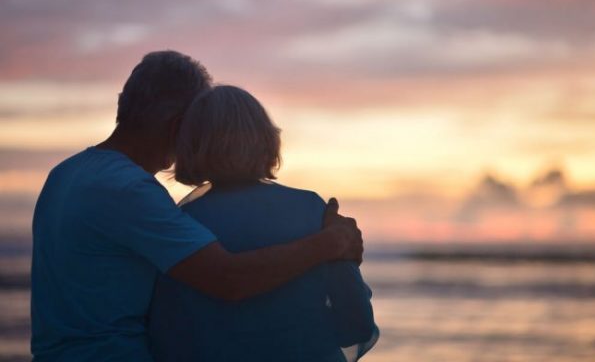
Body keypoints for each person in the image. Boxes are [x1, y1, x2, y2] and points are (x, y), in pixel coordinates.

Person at [30, 51, 363, 361]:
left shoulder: (64, 174)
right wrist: (330, 243)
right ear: (180, 125)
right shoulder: (130, 190)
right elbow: (228, 279)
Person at [148, 85, 378, 361]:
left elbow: (165, 335)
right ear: (266, 139)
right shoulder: (313, 212)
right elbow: (357, 325)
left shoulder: (178, 223)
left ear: (190, 146)